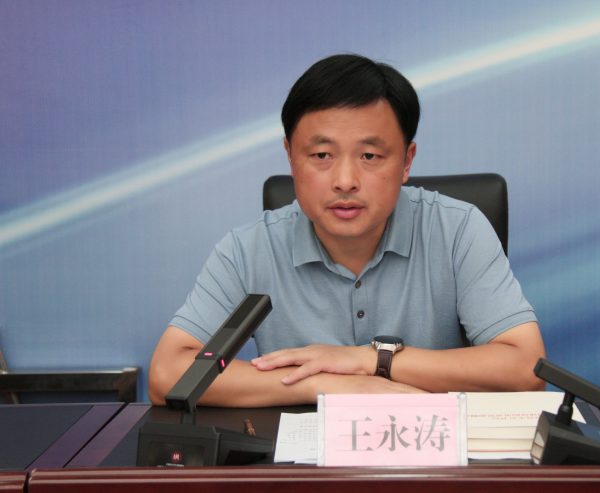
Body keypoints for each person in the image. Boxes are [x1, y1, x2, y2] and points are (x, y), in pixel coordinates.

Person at [148, 54, 546, 408]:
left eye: (369, 156)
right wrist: (321, 384)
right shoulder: (246, 250)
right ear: (290, 156)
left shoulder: (458, 230)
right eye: (322, 155)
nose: (345, 181)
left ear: (406, 161)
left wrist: (369, 360)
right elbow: (167, 375)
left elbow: (526, 367)